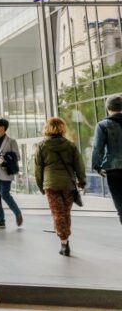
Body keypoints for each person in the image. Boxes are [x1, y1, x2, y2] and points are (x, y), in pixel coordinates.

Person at [34, 117, 86, 256]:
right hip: (68, 184)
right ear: (62, 128)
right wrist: (82, 180)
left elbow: (38, 168)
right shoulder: (70, 145)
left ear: (47, 128)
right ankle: (65, 238)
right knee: (65, 212)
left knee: (57, 213)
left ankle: (64, 242)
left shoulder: (42, 146)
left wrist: (40, 185)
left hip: (51, 184)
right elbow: (79, 165)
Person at [0, 118, 23, 229]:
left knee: (4, 194)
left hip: (5, 173)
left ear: (2, 127)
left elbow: (17, 156)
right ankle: (0, 221)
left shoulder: (11, 141)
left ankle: (17, 213)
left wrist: (5, 159)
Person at [91, 95, 122, 225]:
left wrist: (97, 166)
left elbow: (98, 147)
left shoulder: (103, 125)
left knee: (121, 207)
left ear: (108, 108)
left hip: (114, 170)